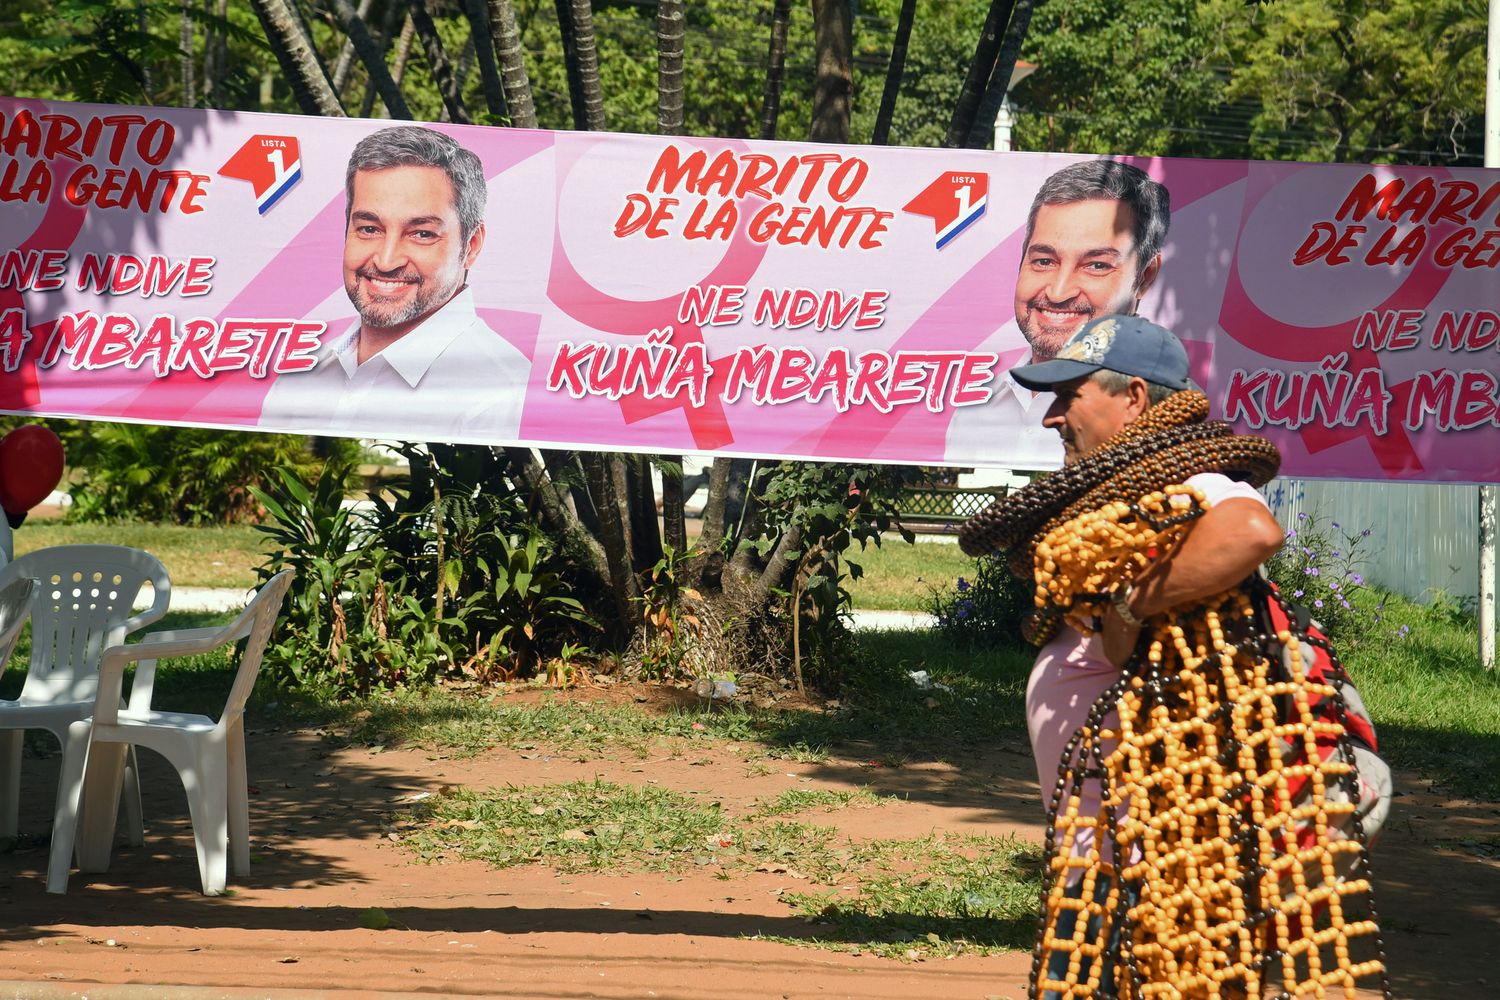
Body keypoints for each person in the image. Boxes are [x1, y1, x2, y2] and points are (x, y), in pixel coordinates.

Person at [999, 314, 1284, 996]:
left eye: (1069, 396)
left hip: (1151, 866)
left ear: (1133, 398)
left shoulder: (1189, 478)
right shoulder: (1137, 496)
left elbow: (1251, 530)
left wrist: (1130, 604)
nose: (1053, 417)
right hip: (1105, 860)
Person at [259, 125, 527, 441]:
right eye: (370, 229)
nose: (386, 261)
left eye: (422, 234)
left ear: (470, 246)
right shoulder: (300, 374)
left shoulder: (505, 395)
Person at [945, 160, 1171, 468]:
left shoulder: (1166, 425)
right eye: (1044, 261)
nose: (1058, 292)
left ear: (1144, 277)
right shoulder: (974, 408)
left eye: (1097, 265)